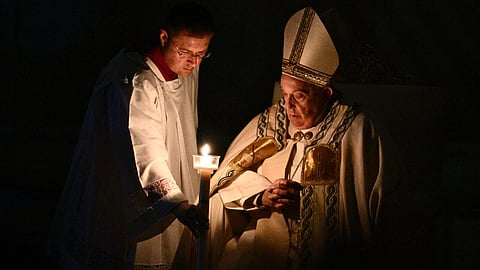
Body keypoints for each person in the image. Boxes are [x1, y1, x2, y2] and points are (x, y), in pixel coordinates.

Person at [205, 6, 404, 270]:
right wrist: (261, 194)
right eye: (284, 95)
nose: (288, 107)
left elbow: (372, 212)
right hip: (259, 251)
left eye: (299, 95)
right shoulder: (269, 122)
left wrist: (308, 204)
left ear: (326, 93)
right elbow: (223, 183)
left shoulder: (356, 130)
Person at [47, 1, 215, 269]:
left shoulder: (187, 68)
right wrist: (176, 204)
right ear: (164, 37)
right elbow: (142, 146)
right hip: (126, 196)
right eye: (185, 51)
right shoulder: (136, 81)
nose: (193, 62)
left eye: (202, 53)